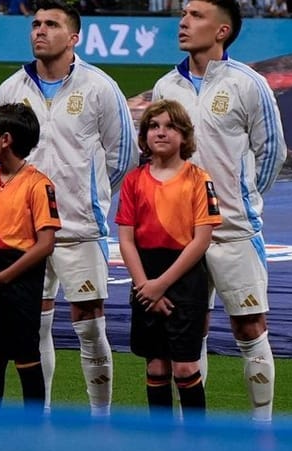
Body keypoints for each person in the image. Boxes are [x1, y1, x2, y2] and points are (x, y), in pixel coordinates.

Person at [0, 0, 134, 415]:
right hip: (24, 234)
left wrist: (87, 196)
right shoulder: (11, 89)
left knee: (90, 325)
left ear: (74, 37)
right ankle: (41, 415)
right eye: (36, 24)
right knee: (34, 324)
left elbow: (122, 154)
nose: (39, 30)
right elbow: (4, 156)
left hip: (79, 229)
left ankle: (101, 419)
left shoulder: (99, 87)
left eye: (51, 24)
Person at [151, 0, 286, 422]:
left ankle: (262, 429)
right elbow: (155, 158)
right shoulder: (164, 87)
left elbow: (273, 153)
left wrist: (240, 199)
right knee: (191, 333)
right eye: (184, 14)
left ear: (223, 30)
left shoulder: (249, 84)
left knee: (249, 327)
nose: (183, 22)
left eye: (196, 16)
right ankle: (193, 430)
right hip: (179, 235)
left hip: (232, 231)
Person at [116, 100, 220, 419]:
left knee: (185, 366)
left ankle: (195, 443)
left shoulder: (199, 179)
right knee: (156, 365)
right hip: (145, 276)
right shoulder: (133, 181)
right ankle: (160, 443)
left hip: (184, 280)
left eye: (170, 126)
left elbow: (201, 239)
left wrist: (161, 285)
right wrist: (144, 285)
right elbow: (126, 238)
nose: (161, 132)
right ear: (144, 134)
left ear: (184, 135)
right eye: (153, 126)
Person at [0, 104, 59, 408]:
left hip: (18, 279)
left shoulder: (39, 185)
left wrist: (5, 277)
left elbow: (45, 243)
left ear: (5, 139)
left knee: (26, 357)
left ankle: (33, 430)